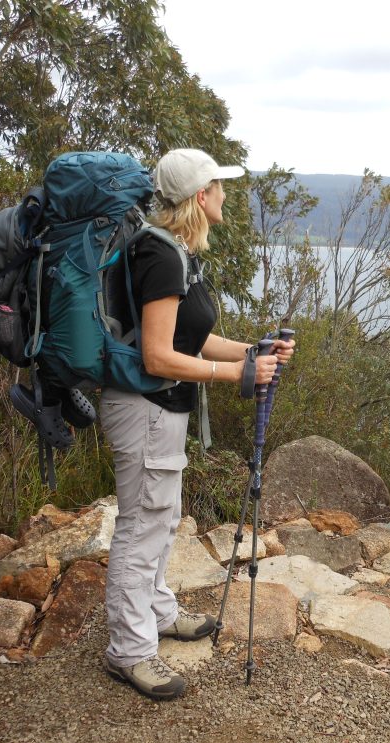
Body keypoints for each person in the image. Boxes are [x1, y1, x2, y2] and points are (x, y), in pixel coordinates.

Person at [100, 148, 295, 700]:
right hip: (144, 406)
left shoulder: (177, 253)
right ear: (200, 197)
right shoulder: (161, 259)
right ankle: (129, 651)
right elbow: (159, 356)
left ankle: (157, 614)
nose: (227, 195)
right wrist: (238, 372)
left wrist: (256, 350)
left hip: (162, 408)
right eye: (219, 186)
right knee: (141, 524)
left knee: (162, 516)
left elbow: (192, 338)